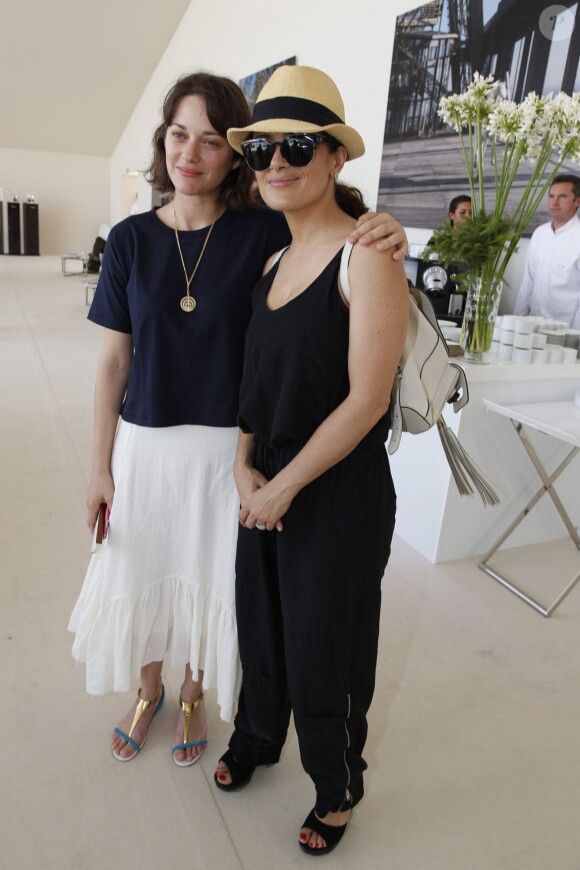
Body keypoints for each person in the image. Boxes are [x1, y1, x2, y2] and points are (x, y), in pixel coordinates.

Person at [67, 71, 409, 767]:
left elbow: (330, 233)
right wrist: (99, 466)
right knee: (142, 568)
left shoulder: (264, 232)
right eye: (177, 135)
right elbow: (113, 363)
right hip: (145, 442)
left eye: (211, 141)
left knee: (209, 576)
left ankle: (194, 693)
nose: (189, 154)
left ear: (233, 159)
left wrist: (388, 227)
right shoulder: (129, 240)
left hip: (226, 447)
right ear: (162, 142)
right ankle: (148, 689)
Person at [214, 65, 408, 855]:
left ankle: (336, 786)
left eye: (296, 146)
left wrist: (283, 488)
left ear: (334, 157)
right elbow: (254, 385)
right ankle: (258, 737)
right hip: (267, 481)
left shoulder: (367, 257)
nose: (275, 162)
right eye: (260, 149)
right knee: (262, 627)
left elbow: (367, 402)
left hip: (337, 489)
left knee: (328, 645)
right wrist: (244, 466)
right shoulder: (271, 263)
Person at [514, 174, 580, 328]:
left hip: (565, 333)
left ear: (577, 201)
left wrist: (576, 337)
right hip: (531, 329)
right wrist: (517, 323)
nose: (555, 203)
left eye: (562, 196)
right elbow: (528, 284)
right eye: (551, 196)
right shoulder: (539, 233)